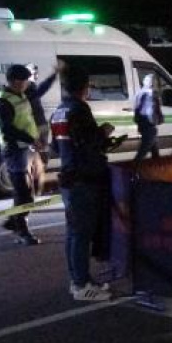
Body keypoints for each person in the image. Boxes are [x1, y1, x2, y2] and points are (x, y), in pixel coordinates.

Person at [50, 67, 115, 301]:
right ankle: (81, 285)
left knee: (73, 233)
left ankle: (78, 279)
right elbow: (88, 142)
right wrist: (103, 132)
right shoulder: (79, 109)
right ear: (85, 87)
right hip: (83, 179)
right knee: (81, 235)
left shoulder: (59, 111)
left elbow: (55, 147)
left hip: (69, 176)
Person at [0, 64, 43, 245]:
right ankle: (22, 231)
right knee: (23, 193)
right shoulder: (3, 102)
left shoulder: (19, 95)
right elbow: (7, 129)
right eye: (25, 81)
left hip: (25, 149)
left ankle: (15, 221)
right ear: (15, 81)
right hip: (14, 150)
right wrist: (31, 139)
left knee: (28, 191)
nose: (27, 84)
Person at [25, 62, 59, 194]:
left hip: (40, 127)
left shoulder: (30, 87)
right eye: (32, 73)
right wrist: (53, 75)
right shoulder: (27, 89)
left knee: (40, 160)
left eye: (36, 73)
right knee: (35, 161)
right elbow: (42, 89)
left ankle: (38, 190)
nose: (35, 75)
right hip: (35, 129)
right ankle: (35, 191)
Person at [133, 73, 165, 161]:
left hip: (146, 125)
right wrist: (159, 119)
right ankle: (134, 167)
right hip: (149, 126)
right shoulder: (149, 94)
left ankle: (156, 166)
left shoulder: (140, 93)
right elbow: (151, 110)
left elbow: (137, 110)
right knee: (143, 150)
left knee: (154, 150)